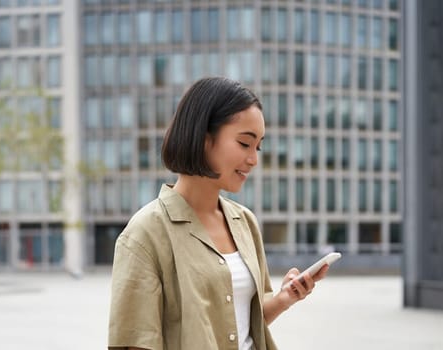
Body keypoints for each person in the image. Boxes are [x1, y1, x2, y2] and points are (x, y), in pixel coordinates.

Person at [108, 77, 329, 350]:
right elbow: (136, 343)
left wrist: (284, 297)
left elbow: (243, 324)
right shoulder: (145, 234)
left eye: (258, 146)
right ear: (204, 138)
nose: (254, 159)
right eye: (245, 143)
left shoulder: (245, 222)